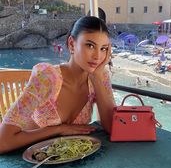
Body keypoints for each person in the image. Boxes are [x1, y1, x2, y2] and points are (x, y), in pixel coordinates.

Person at [0, 16, 115, 154]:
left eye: (103, 49)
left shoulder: (100, 76)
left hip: (68, 158)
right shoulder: (47, 77)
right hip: (29, 158)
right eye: (90, 45)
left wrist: (96, 78)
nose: (97, 56)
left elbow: (112, 127)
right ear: (72, 44)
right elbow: (3, 142)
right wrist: (59, 129)